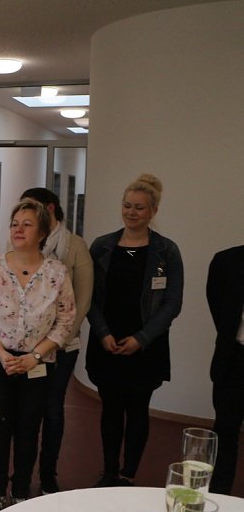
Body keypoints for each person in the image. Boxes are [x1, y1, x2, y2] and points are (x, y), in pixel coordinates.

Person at [0, 200, 76, 512]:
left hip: (38, 363)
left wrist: (34, 356)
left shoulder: (57, 272)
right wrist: (3, 354)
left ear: (42, 231)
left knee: (29, 429)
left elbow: (66, 319)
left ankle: (19, 495)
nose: (18, 229)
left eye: (27, 224)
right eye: (15, 223)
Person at [85, 174, 183, 487]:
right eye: (127, 205)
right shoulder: (102, 246)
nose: (131, 212)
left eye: (139, 208)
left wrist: (141, 339)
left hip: (146, 347)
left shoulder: (166, 251)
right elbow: (89, 297)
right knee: (110, 410)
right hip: (107, 343)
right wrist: (102, 332)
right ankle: (109, 471)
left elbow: (172, 303)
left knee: (138, 411)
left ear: (153, 211)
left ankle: (128, 474)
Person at [19, 188, 93, 494]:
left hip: (62, 348)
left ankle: (48, 474)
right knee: (27, 410)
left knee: (52, 408)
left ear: (50, 208)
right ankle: (21, 477)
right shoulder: (25, 242)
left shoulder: (75, 246)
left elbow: (84, 299)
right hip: (27, 350)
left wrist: (55, 341)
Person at [206, 245, 244, 495]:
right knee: (225, 430)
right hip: (235, 358)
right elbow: (217, 304)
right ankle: (220, 497)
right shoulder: (227, 261)